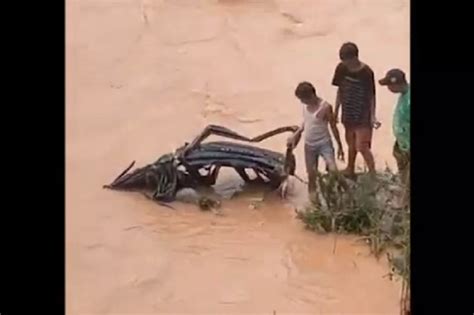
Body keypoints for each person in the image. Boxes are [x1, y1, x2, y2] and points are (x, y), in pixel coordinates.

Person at [331, 42, 380, 178]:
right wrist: (336, 111)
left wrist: (373, 116)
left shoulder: (366, 72)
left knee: (362, 146)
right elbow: (339, 91)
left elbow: (371, 95)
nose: (345, 63)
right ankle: (350, 168)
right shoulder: (341, 68)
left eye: (347, 61)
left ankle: (372, 174)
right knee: (351, 144)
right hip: (348, 112)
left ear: (355, 58)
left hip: (363, 114)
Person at [287, 81, 345, 195]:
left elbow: (333, 127)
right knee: (311, 175)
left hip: (324, 144)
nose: (302, 102)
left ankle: (346, 191)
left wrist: (340, 146)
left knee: (333, 170)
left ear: (312, 95)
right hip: (309, 146)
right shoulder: (305, 107)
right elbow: (305, 123)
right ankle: (313, 201)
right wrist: (296, 135)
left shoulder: (325, 107)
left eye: (303, 99)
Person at [378, 68, 410, 206]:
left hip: (408, 144)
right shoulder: (403, 95)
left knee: (409, 176)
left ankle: (404, 202)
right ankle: (404, 191)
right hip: (402, 142)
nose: (388, 88)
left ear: (396, 84)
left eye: (389, 85)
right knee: (403, 171)